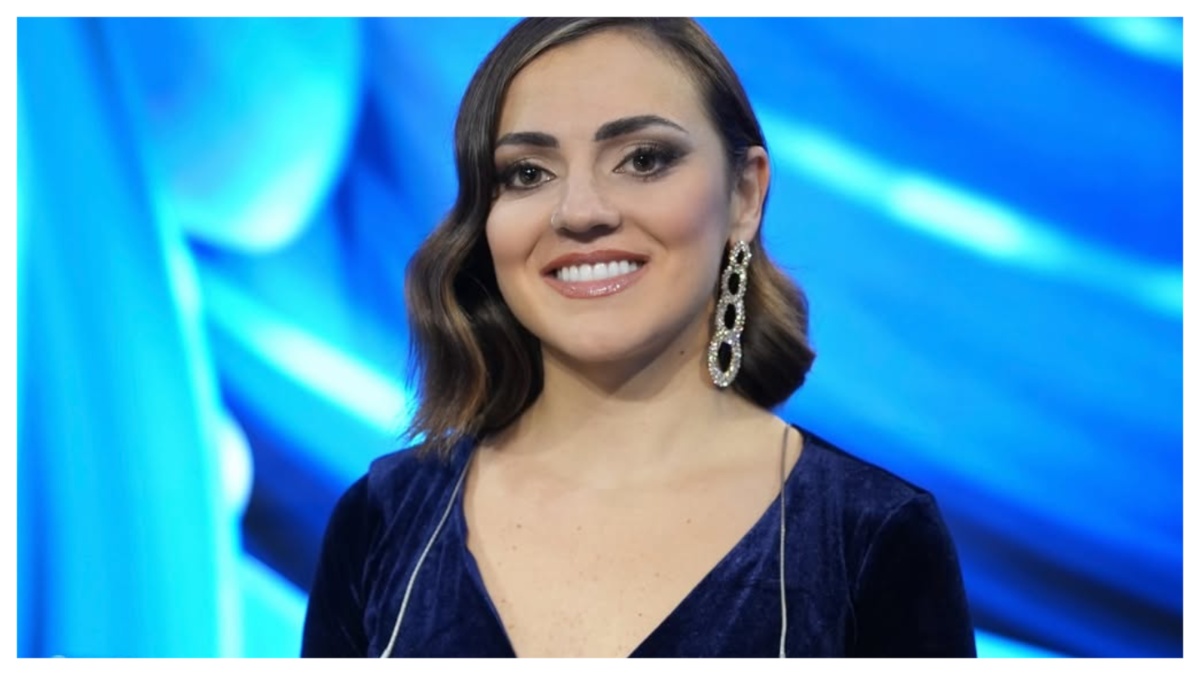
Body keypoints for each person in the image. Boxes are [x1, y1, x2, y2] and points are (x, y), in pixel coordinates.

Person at [300, 17, 976, 658]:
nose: (580, 212)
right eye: (528, 173)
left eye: (644, 159)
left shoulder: (872, 537)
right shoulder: (381, 523)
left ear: (744, 195)